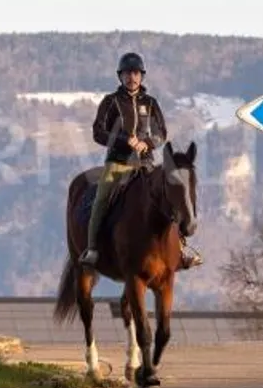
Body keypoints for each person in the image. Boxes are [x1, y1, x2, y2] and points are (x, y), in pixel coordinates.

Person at [80, 51, 203, 270]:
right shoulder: (111, 102)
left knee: (169, 197)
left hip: (146, 164)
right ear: (120, 76)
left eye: (136, 73)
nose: (132, 77)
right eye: (127, 73)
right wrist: (124, 140)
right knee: (101, 200)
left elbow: (162, 132)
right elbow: (98, 133)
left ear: (142, 76)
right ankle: (93, 249)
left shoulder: (151, 103)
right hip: (118, 163)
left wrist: (147, 143)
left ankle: (180, 249)